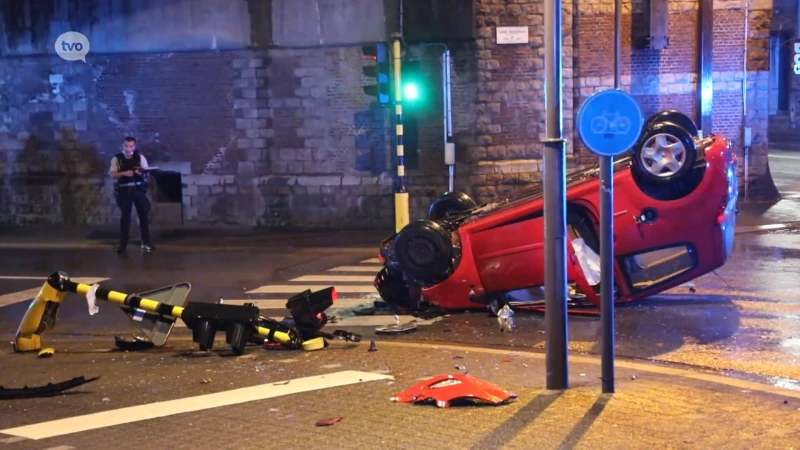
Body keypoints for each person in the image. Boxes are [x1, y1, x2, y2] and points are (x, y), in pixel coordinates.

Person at [109, 136, 155, 253]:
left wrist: (141, 173)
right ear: (123, 146)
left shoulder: (140, 157)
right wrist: (125, 173)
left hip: (138, 189)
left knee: (143, 216)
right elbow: (113, 174)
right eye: (126, 146)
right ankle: (122, 244)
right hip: (125, 190)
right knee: (125, 218)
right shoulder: (117, 158)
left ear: (134, 146)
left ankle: (146, 242)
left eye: (131, 146)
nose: (129, 148)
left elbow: (146, 172)